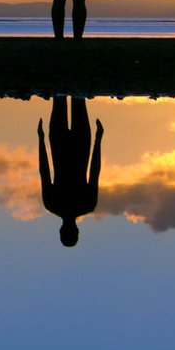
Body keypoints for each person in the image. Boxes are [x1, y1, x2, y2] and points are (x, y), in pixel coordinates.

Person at [38, 96, 103, 247]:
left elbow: (95, 172)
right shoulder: (51, 204)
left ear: (77, 230)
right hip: (61, 145)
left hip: (80, 146)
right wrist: (41, 140)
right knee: (61, 97)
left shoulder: (88, 205)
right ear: (60, 230)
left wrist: (98, 140)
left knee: (77, 97)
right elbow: (44, 172)